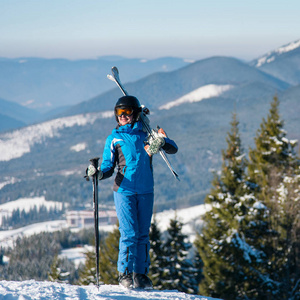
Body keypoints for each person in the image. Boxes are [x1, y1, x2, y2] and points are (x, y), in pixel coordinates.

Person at [87, 95, 178, 289]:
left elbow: (173, 148)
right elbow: (107, 168)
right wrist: (96, 173)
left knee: (143, 234)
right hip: (124, 191)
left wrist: (161, 141)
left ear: (135, 114)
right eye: (119, 112)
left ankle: (141, 274)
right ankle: (125, 274)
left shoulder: (146, 133)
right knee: (129, 233)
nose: (123, 116)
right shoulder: (114, 138)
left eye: (127, 112)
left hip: (146, 190)